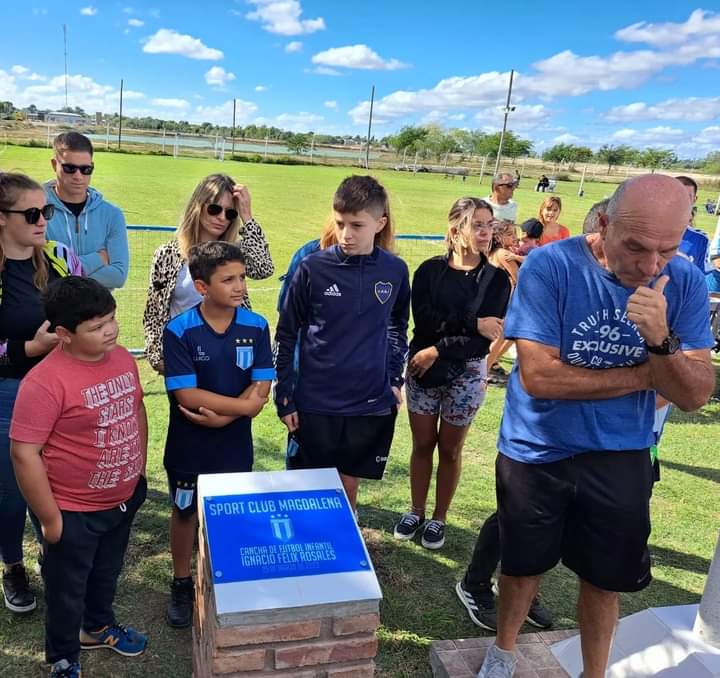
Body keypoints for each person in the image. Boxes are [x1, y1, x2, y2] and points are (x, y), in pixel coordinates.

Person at [475, 174, 715, 678]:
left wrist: (661, 339)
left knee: (605, 577)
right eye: (636, 247)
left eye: (666, 251)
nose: (650, 266)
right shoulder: (550, 265)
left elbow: (694, 394)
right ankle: (503, 651)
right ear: (603, 223)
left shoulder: (686, 281)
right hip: (536, 445)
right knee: (521, 565)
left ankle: (594, 673)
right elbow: (540, 377)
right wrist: (648, 375)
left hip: (621, 450)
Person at [10, 276, 148, 678]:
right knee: (67, 589)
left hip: (121, 498)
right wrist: (51, 519)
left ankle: (97, 626)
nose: (110, 330)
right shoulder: (44, 382)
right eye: (96, 327)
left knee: (106, 572)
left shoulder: (121, 357)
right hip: (72, 511)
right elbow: (24, 452)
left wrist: (137, 469)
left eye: (111, 319)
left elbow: (135, 407)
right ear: (64, 334)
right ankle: (63, 657)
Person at [275, 175, 410, 512]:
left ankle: (340, 558)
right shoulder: (312, 267)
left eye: (357, 225)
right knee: (305, 489)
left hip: (368, 402)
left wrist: (394, 379)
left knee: (347, 487)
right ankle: (302, 554)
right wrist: (285, 393)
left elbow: (397, 326)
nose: (346, 234)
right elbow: (287, 332)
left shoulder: (394, 270)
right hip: (315, 402)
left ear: (380, 224)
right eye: (340, 223)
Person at [162, 241, 273, 629]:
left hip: (233, 443)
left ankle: (226, 581)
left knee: (230, 510)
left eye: (241, 277)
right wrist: (244, 409)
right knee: (185, 510)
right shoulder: (179, 330)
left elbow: (261, 385)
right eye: (228, 279)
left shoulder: (256, 325)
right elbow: (187, 395)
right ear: (202, 287)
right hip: (189, 444)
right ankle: (181, 581)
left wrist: (229, 418)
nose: (240, 286)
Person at [392, 198, 510, 549]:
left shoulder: (497, 279)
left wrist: (438, 348)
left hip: (466, 372)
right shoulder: (429, 271)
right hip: (421, 369)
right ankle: (416, 509)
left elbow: (480, 343)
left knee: (451, 449)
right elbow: (426, 320)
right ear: (456, 228)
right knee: (422, 444)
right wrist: (472, 322)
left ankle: (439, 517)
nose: (486, 231)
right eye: (478, 224)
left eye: (490, 224)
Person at [0, 172, 81, 617]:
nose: (42, 220)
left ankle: (52, 554)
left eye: (46, 212)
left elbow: (84, 303)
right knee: (11, 490)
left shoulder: (60, 259)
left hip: (57, 392)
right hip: (8, 393)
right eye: (31, 213)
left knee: (57, 481)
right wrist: (27, 349)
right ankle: (12, 564)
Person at [143, 173, 273, 373]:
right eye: (214, 209)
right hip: (183, 358)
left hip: (230, 358)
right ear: (198, 206)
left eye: (230, 213)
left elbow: (263, 267)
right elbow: (154, 309)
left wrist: (247, 216)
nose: (222, 218)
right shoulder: (167, 254)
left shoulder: (234, 253)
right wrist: (157, 357)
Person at [45, 132, 129, 290]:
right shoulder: (36, 211)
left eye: (86, 169)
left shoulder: (112, 215)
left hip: (98, 314)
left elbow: (118, 276)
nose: (78, 176)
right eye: (69, 168)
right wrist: (98, 258)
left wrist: (65, 271)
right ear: (54, 164)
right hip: (51, 313)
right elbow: (43, 275)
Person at [676, 176, 712, 274]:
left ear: (695, 199)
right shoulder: (645, 232)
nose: (681, 201)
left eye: (687, 197)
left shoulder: (700, 240)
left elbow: (699, 277)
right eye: (677, 195)